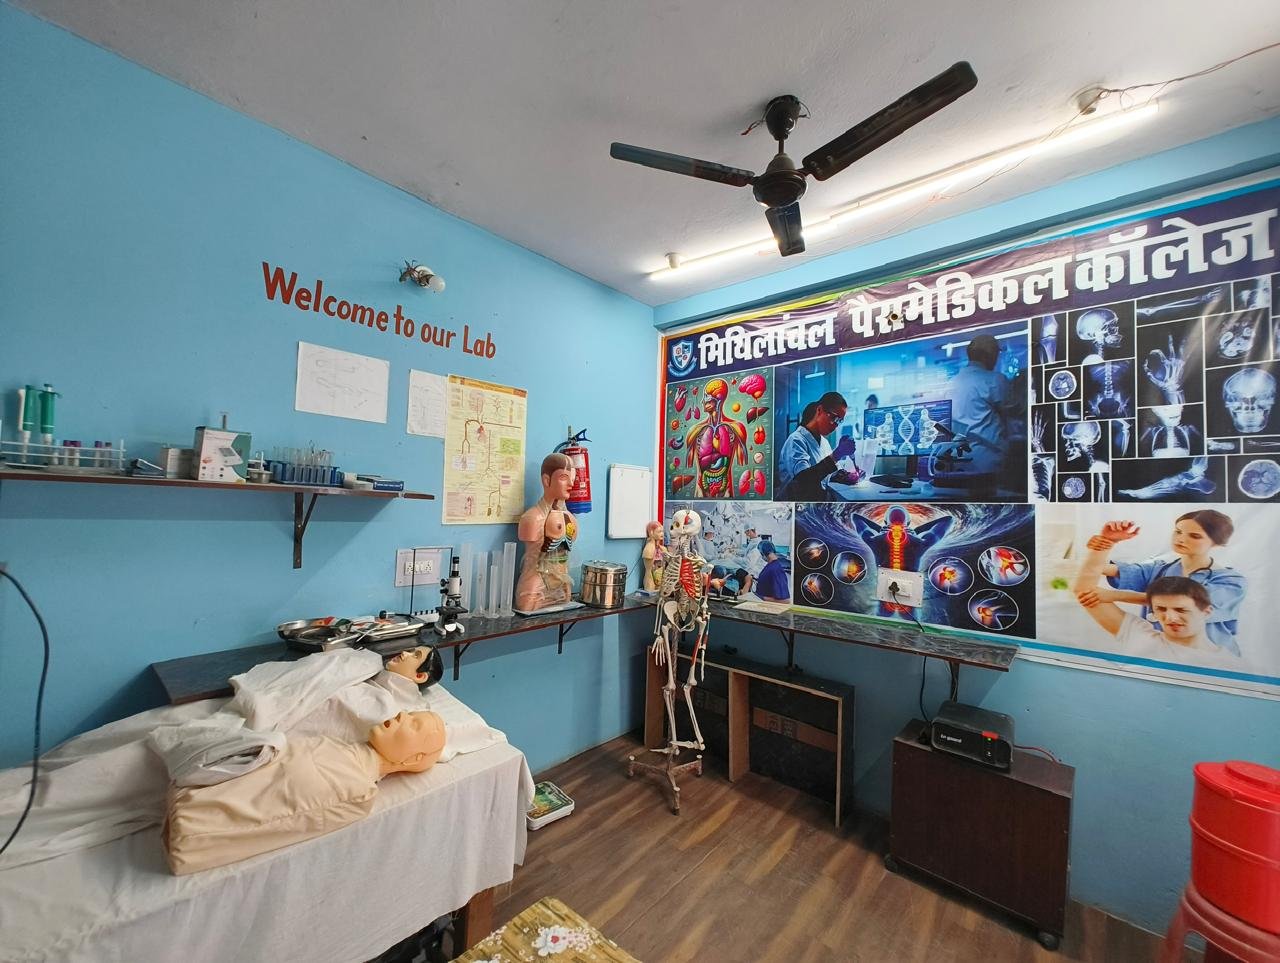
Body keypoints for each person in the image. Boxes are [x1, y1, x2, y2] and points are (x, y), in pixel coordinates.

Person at [1076, 512, 1244, 656]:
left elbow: (1189, 603)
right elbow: (1098, 570)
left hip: (1209, 658)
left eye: (1194, 536)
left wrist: (1115, 595)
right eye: (1178, 532)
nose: (1181, 539)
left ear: (1216, 542)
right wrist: (1104, 544)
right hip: (1164, 653)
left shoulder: (1230, 581)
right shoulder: (1159, 569)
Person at [515, 452, 578, 611]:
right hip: (534, 590)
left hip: (562, 589)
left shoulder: (570, 519)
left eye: (573, 477)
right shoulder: (532, 519)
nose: (571, 483)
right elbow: (532, 560)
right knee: (527, 604)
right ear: (546, 480)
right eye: (564, 477)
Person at [949, 334, 1018, 476]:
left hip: (958, 458)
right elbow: (1012, 416)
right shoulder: (995, 380)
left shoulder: (951, 383)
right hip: (989, 458)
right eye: (996, 354)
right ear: (988, 356)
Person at [777, 391, 858, 500]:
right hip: (794, 505)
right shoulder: (796, 440)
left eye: (839, 421)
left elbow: (827, 474)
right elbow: (803, 480)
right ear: (819, 410)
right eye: (834, 418)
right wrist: (837, 454)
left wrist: (846, 476)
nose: (836, 425)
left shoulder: (824, 442)